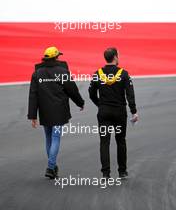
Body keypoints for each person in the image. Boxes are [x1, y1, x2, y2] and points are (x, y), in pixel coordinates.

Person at [28, 46, 85, 179]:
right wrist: (80, 102)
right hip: (59, 110)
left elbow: (33, 95)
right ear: (56, 57)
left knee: (49, 138)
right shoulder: (63, 72)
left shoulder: (37, 73)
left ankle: (52, 167)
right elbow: (72, 90)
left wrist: (32, 115)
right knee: (55, 138)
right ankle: (50, 166)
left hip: (44, 110)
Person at [88, 47, 138, 179]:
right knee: (121, 140)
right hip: (119, 112)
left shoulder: (97, 74)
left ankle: (105, 173)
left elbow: (91, 93)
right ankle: (122, 171)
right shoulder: (124, 74)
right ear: (115, 57)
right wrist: (134, 111)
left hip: (104, 112)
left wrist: (100, 104)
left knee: (104, 142)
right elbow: (130, 95)